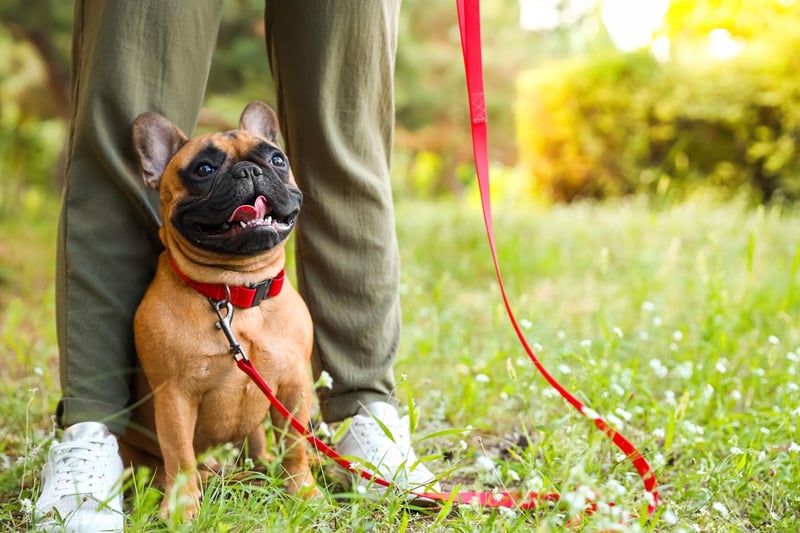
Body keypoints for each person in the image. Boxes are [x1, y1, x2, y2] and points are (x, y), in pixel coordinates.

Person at [34, 2, 439, 531]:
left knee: (347, 107)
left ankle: (365, 413)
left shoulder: (291, 314)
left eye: (269, 162)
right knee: (133, 60)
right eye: (205, 171)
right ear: (158, 172)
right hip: (181, 315)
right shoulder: (163, 311)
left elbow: (291, 389)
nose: (248, 180)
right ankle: (97, 434)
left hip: (268, 316)